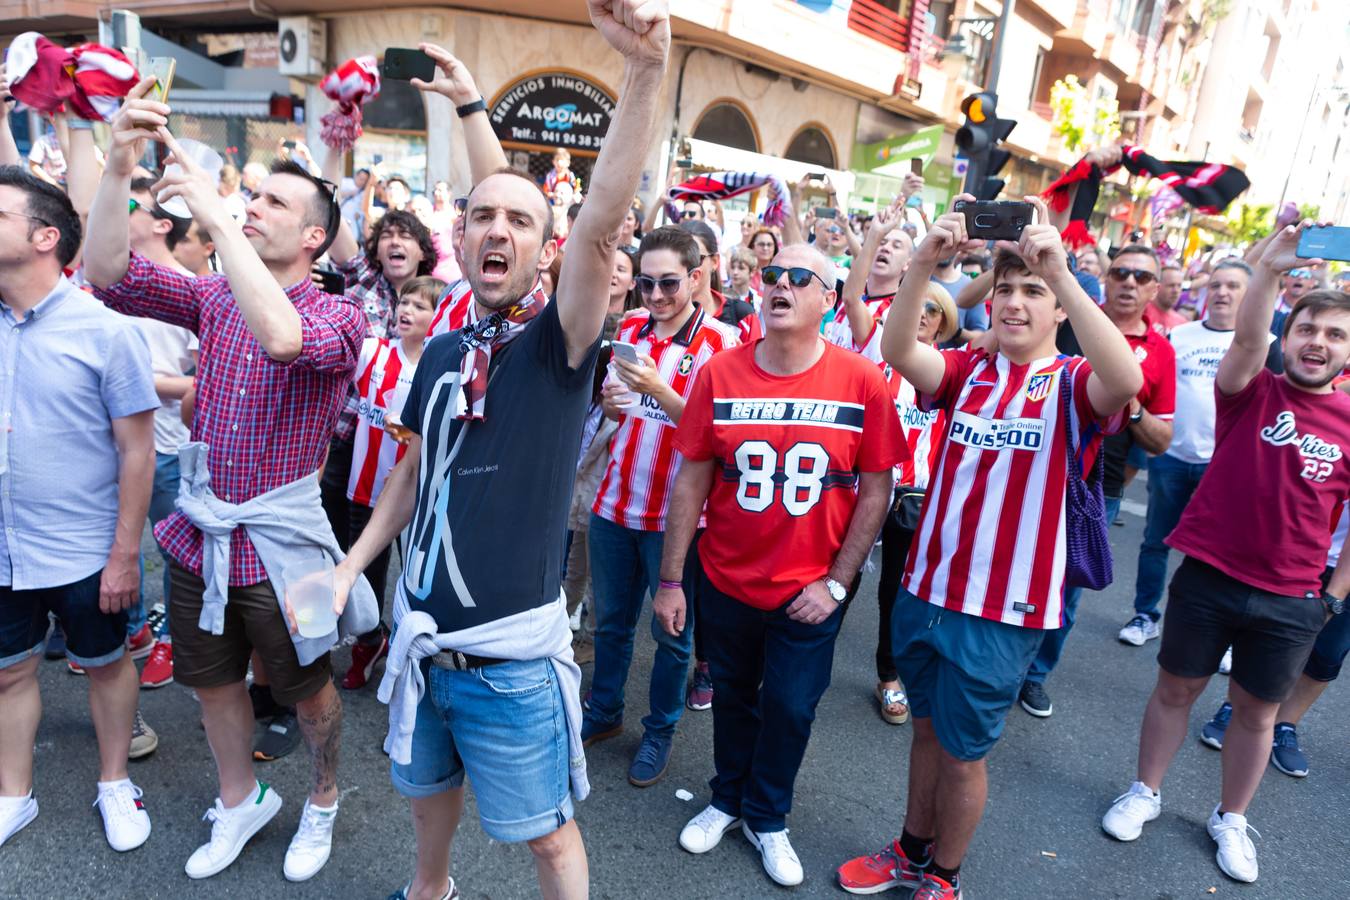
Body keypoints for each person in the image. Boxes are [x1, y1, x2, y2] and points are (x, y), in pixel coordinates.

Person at [330, 5, 670, 898]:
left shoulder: (557, 350)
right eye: (481, 216)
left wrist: (644, 72)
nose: (497, 231)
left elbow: (595, 225)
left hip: (511, 664)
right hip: (421, 633)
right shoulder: (445, 349)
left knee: (550, 842)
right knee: (425, 792)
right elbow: (414, 469)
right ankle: (430, 889)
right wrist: (351, 566)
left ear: (547, 252)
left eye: (521, 224)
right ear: (458, 233)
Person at [85, 79, 373, 882]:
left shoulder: (338, 313)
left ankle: (321, 798)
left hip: (287, 543)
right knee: (210, 682)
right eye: (252, 196)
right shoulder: (212, 293)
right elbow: (107, 271)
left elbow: (281, 338)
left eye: (274, 202)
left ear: (315, 236)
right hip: (202, 530)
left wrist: (214, 218)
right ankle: (241, 799)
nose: (253, 205)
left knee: (308, 688)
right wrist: (118, 166)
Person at [837, 196, 1142, 900]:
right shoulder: (969, 372)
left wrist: (1058, 272)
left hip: (1005, 610)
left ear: (1060, 307)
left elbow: (1124, 380)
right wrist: (923, 262)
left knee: (964, 755)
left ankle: (945, 877)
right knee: (924, 733)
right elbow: (898, 350)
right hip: (926, 589)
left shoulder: (1070, 385)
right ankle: (911, 850)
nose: (1013, 301)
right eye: (1005, 288)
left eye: (1032, 291)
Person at [1101, 223, 1350, 885]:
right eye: (1307, 330)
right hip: (1209, 575)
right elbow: (1246, 337)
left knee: (1256, 712)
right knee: (1175, 690)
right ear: (1287, 337)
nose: (1317, 344)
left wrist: (1333, 598)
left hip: (1292, 597)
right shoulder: (1252, 391)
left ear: (1347, 352)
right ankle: (1145, 792)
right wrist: (1271, 268)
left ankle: (1231, 818)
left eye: (1334, 335)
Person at [657, 244, 904, 888]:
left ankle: (768, 816)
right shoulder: (719, 372)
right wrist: (671, 579)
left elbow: (876, 490)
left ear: (829, 298)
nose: (781, 286)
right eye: (772, 275)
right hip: (726, 577)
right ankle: (728, 798)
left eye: (801, 278)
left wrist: (837, 582)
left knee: (791, 706)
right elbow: (692, 481)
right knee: (734, 697)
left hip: (812, 589)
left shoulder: (862, 379)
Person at [0, 166, 157, 853]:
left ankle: (116, 781)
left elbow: (138, 453)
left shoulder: (108, 332)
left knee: (105, 665)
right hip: (6, 545)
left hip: (89, 549)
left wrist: (125, 554)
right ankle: (14, 794)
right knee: (9, 671)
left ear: (44, 237)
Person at [582, 225, 738, 786]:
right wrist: (610, 404)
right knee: (611, 626)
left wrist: (659, 391)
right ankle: (603, 713)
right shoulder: (629, 330)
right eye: (645, 283)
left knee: (672, 637)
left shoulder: (724, 343)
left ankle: (660, 730)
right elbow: (621, 419)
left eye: (668, 283)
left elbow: (720, 436)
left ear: (697, 277)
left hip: (678, 520)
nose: (654, 295)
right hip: (614, 501)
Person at [1017, 243, 1176, 717]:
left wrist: (1130, 405)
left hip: (1095, 489)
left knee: (1065, 592)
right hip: (1031, 468)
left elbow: (1161, 439)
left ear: (1156, 289)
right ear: (1106, 277)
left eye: (1141, 276)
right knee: (1014, 572)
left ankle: (1035, 676)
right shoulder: (1065, 319)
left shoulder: (1161, 352)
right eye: (1121, 272)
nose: (1129, 282)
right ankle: (999, 668)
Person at [1119, 259, 1277, 647]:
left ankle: (1218, 635)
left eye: (1233, 286)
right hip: (1171, 458)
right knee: (1156, 542)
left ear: (1249, 293)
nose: (1222, 293)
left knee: (1218, 553)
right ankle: (1144, 615)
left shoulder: (1266, 345)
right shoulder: (1181, 335)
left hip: (1224, 468)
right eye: (1216, 285)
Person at [339, 277, 443, 690]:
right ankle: (369, 642)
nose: (407, 311)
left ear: (438, 319)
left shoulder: (437, 367)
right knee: (364, 575)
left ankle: (415, 655)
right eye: (404, 302)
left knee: (416, 579)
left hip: (414, 496)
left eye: (420, 306)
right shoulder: (373, 352)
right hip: (364, 490)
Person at [118, 180, 201, 694]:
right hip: (110, 443)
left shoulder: (193, 291)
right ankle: (132, 631)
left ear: (161, 224)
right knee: (113, 541)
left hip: (168, 446)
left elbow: (202, 382)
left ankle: (172, 635)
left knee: (174, 550)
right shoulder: (114, 282)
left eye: (132, 205)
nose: (121, 212)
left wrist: (134, 382)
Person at [680, 219, 758, 342]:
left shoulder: (743, 317)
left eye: (696, 258)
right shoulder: (658, 316)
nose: (687, 267)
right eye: (679, 259)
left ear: (715, 261)